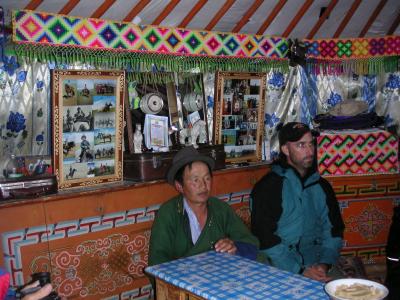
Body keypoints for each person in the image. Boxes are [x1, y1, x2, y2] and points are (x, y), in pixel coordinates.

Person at [251, 122, 345, 282]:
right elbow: (264, 238)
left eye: (310, 144)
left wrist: (324, 264)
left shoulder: (321, 186)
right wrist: (299, 270)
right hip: (280, 266)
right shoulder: (268, 187)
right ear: (285, 149)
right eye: (301, 145)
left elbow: (334, 230)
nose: (309, 151)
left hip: (317, 264)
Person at [148, 146, 259, 269]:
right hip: (182, 283)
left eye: (207, 178)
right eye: (195, 180)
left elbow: (250, 243)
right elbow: (157, 264)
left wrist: (234, 247)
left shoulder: (220, 208)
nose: (203, 186)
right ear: (179, 186)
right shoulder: (168, 213)